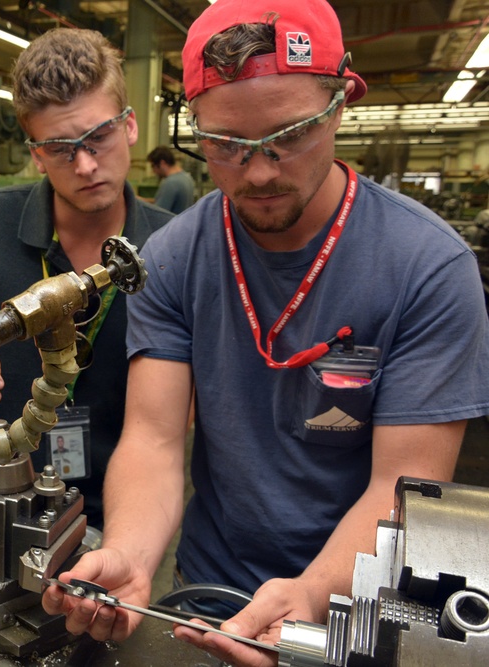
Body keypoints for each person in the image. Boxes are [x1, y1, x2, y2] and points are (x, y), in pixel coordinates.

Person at [43, 1, 489, 665]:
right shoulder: (172, 256)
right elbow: (156, 437)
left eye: (288, 135)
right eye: (225, 144)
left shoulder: (426, 268)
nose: (257, 171)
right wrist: (132, 552)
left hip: (358, 603)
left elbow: (402, 488)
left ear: (340, 104)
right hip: (210, 591)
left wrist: (313, 591)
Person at [0, 28, 173, 528]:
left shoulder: (173, 247)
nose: (86, 164)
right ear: (35, 153)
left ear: (129, 126)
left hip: (114, 517)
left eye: (99, 138)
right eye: (61, 148)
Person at [147, 145, 196, 213]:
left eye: (153, 166)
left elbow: (158, 213)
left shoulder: (170, 183)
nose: (153, 171)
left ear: (162, 163)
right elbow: (164, 199)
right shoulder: (187, 178)